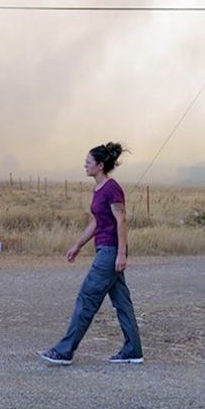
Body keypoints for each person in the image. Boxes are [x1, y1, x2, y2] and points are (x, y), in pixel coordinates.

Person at [40, 142, 143, 365]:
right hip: (104, 249)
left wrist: (121, 253)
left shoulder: (112, 188)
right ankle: (133, 350)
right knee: (122, 302)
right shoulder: (97, 190)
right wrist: (77, 245)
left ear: (100, 165)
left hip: (110, 252)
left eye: (88, 162)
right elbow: (97, 222)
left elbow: (121, 220)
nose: (84, 165)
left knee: (87, 299)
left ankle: (64, 351)